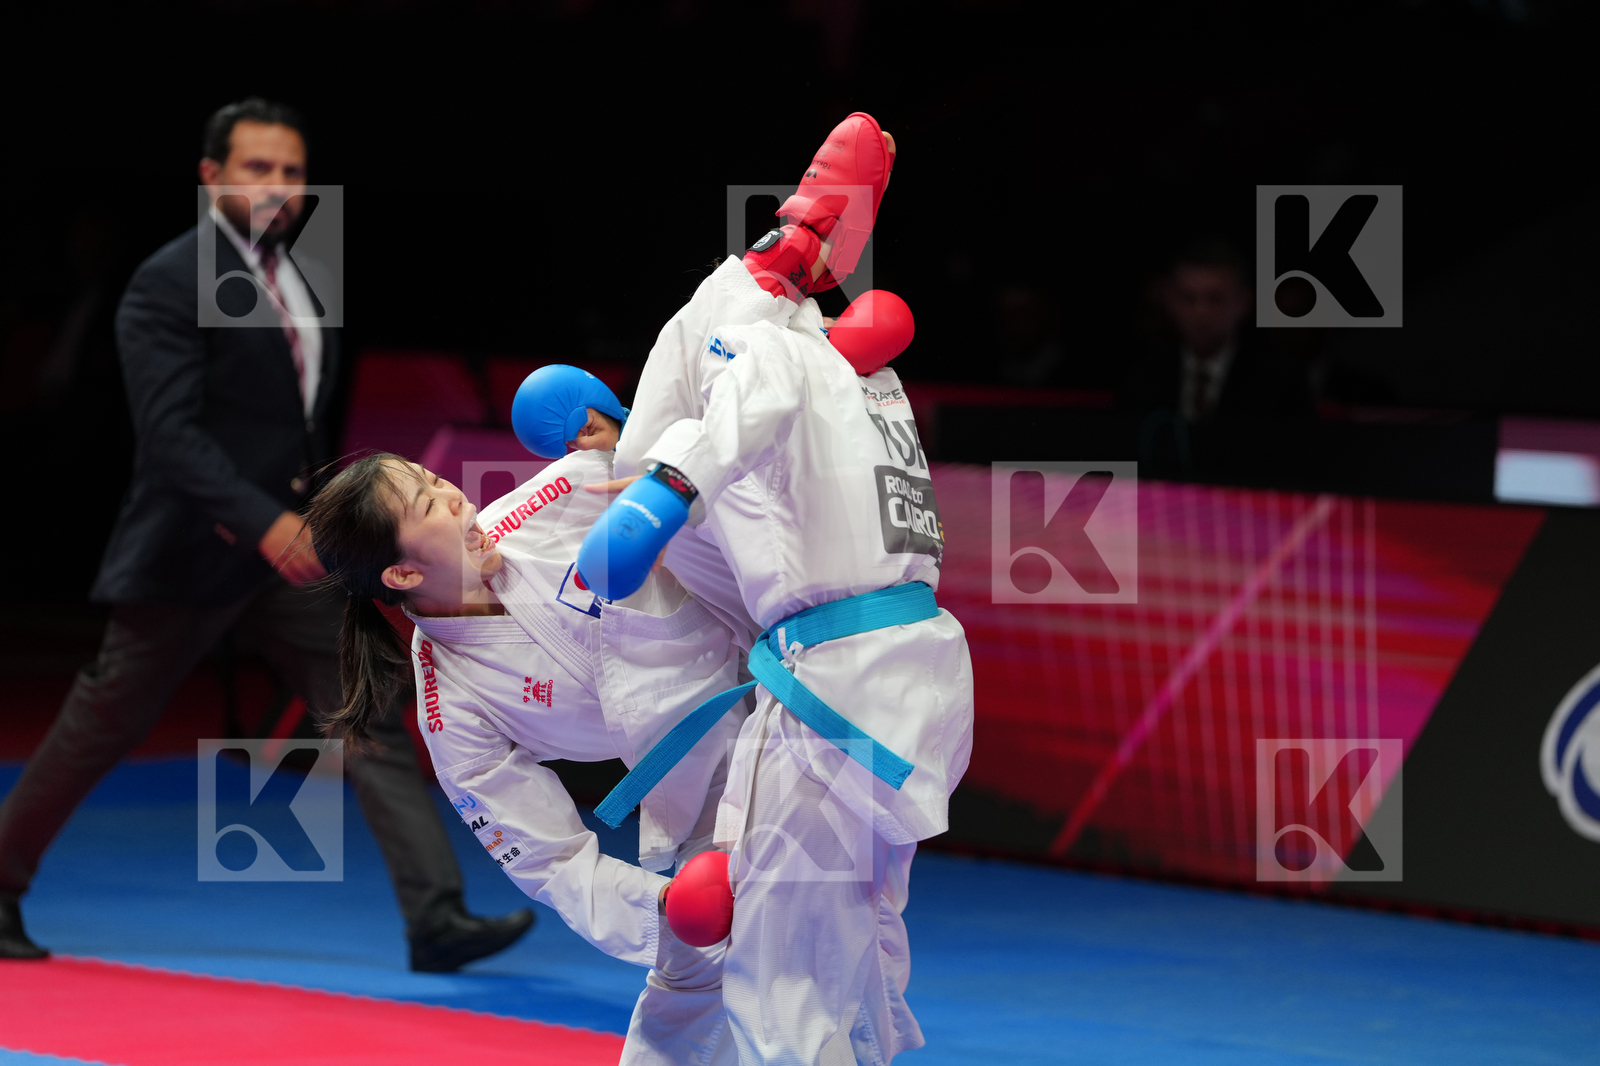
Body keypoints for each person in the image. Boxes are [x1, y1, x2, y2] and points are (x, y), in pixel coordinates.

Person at [0, 98, 531, 971]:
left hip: (293, 560)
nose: (278, 185)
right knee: (104, 725)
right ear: (211, 179)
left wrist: (313, 522)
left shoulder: (300, 274)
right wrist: (265, 523)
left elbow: (295, 432)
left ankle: (436, 918)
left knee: (369, 713)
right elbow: (170, 437)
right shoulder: (166, 281)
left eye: (290, 171)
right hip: (187, 556)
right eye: (257, 168)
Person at [581, 112, 975, 1065]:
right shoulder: (874, 388)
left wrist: (654, 500)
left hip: (831, 681)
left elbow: (708, 425)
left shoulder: (767, 356)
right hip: (915, 680)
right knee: (857, 948)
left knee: (781, 975)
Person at [306, 437, 750, 1065]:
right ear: (403, 574)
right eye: (428, 502)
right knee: (706, 961)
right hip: (706, 779)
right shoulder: (451, 705)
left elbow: (693, 457)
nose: (455, 495)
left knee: (837, 941)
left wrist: (630, 438)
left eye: (437, 479)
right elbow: (551, 860)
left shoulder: (552, 499)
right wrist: (659, 905)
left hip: (793, 668)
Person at [1122, 240, 1314, 481]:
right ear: (1169, 301)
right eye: (1188, 298)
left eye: (1215, 299)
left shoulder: (1279, 380)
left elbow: (1296, 466)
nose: (1201, 312)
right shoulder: (1144, 374)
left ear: (1243, 302)